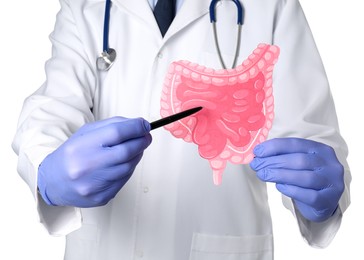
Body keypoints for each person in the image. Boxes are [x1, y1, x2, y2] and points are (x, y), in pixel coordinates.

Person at [12, 0, 351, 259]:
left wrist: (319, 194)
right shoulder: (90, 7)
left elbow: (310, 138)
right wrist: (50, 171)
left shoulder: (270, 6)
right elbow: (51, 109)